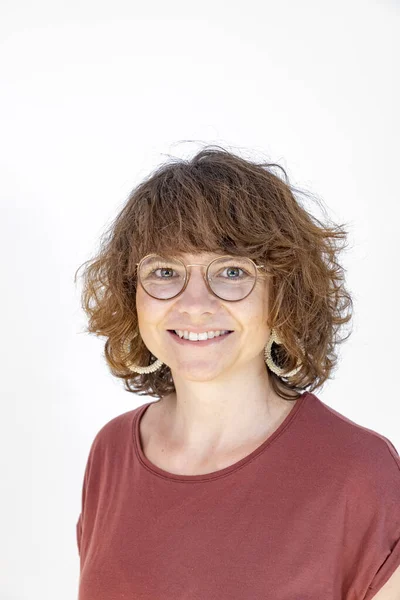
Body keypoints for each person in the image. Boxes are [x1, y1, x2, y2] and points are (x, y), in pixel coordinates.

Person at [74, 145, 400, 600]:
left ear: (282, 293)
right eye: (165, 271)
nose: (194, 306)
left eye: (231, 271)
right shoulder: (111, 453)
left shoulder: (359, 473)